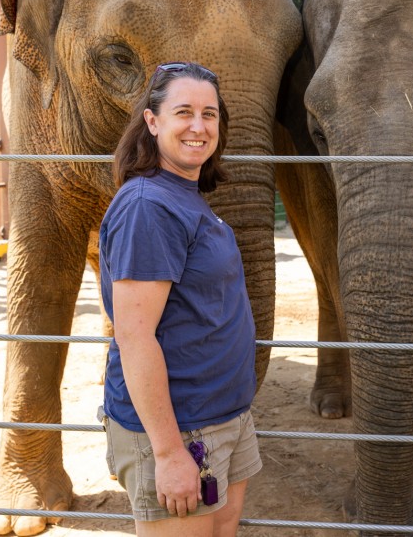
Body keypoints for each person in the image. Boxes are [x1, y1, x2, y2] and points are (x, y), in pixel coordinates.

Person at [97, 62, 261, 536]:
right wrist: (168, 454)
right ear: (152, 122)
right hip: (181, 432)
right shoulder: (148, 206)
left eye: (209, 115)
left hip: (223, 420)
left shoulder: (185, 196)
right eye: (183, 112)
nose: (198, 126)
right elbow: (134, 335)